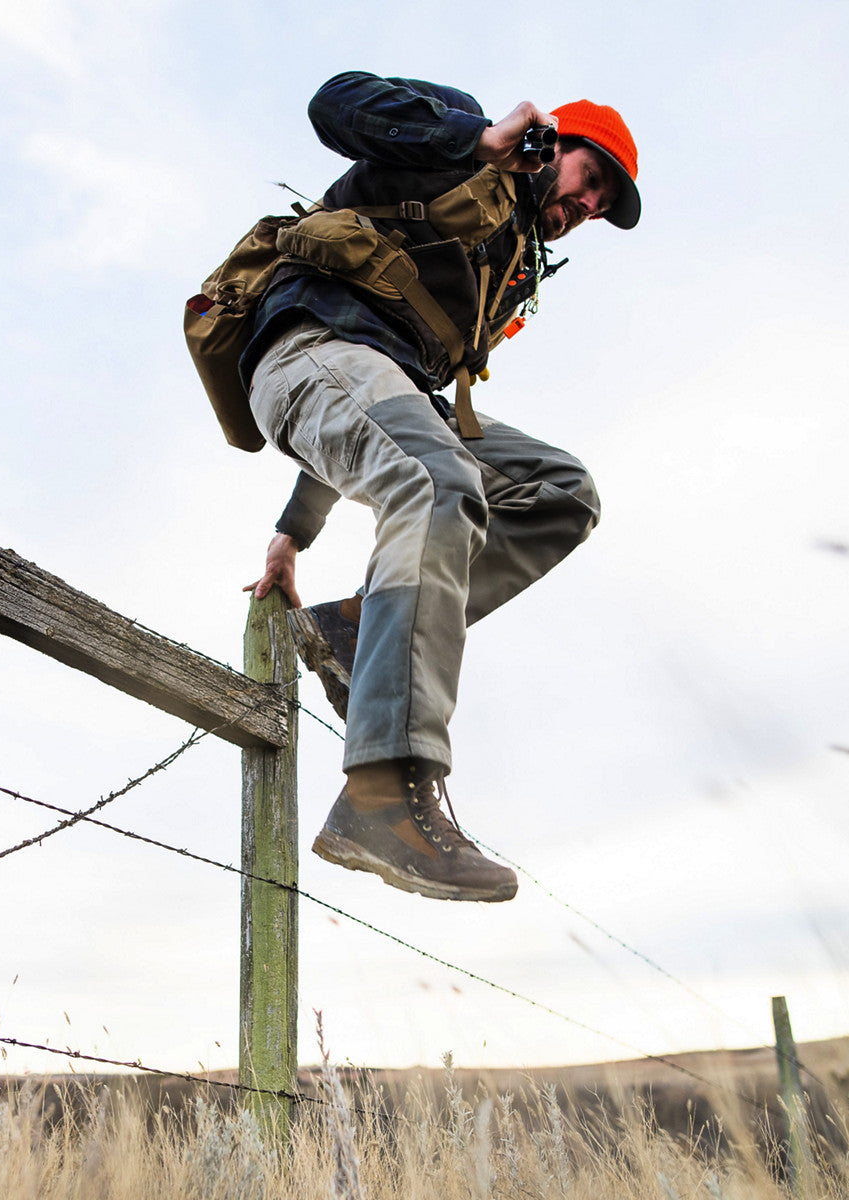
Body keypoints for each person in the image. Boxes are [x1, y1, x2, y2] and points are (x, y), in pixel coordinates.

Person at [242, 71, 641, 903]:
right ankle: (383, 796)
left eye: (603, 205)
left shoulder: (507, 269)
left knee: (562, 493)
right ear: (555, 144)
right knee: (438, 481)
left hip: (372, 380)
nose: (589, 204)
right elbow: (334, 103)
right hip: (305, 351)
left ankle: (358, 631)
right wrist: (477, 140)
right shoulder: (461, 140)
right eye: (591, 177)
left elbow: (382, 414)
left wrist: (294, 532)